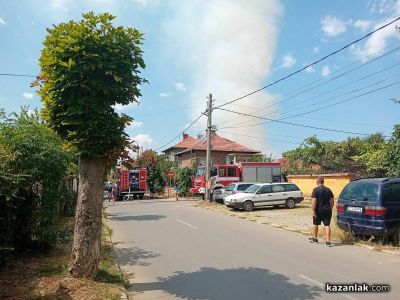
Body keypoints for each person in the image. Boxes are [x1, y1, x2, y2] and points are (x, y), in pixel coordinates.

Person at [309, 176, 334, 247]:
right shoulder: (328, 190)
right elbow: (332, 201)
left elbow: (314, 201)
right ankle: (328, 241)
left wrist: (313, 211)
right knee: (327, 225)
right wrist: (331, 208)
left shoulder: (315, 190)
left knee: (315, 224)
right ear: (323, 182)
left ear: (317, 182)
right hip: (327, 210)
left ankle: (315, 238)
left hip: (318, 210)